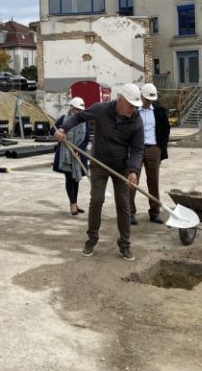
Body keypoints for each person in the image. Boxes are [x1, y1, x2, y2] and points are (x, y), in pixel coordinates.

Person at [54, 83, 144, 261]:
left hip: (122, 167)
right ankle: (92, 239)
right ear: (120, 100)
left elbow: (137, 149)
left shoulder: (136, 121)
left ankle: (124, 244)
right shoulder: (101, 109)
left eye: (136, 106)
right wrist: (63, 129)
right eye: (131, 105)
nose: (133, 110)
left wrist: (134, 170)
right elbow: (79, 117)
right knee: (97, 200)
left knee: (123, 204)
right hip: (99, 163)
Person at [130, 83, 171, 225]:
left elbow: (166, 130)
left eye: (151, 100)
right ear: (141, 96)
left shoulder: (159, 110)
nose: (149, 102)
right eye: (147, 99)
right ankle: (130, 213)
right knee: (132, 181)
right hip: (136, 149)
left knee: (153, 182)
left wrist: (160, 148)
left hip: (154, 149)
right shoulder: (134, 110)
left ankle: (154, 212)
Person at [52, 97, 91, 216]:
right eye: (77, 109)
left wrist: (79, 150)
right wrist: (58, 134)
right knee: (69, 178)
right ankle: (72, 204)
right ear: (72, 108)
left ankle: (75, 202)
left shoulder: (84, 121)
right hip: (66, 154)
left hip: (78, 153)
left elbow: (86, 138)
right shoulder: (64, 119)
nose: (79, 112)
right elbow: (51, 131)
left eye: (80, 110)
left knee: (76, 179)